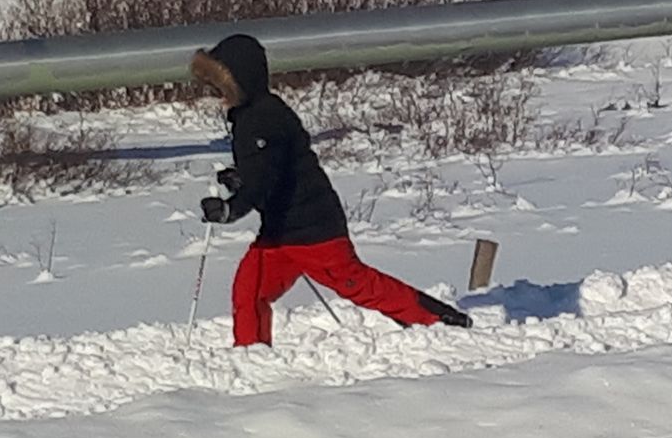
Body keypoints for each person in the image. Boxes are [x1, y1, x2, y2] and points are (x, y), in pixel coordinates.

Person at [191, 33, 472, 346]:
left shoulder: (261, 119)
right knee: (249, 291)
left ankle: (439, 320)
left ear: (240, 81)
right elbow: (270, 169)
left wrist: (231, 208)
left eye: (219, 87)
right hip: (280, 233)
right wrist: (239, 179)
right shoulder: (252, 116)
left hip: (315, 229)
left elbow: (264, 180)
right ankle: (250, 357)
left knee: (358, 285)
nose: (216, 95)